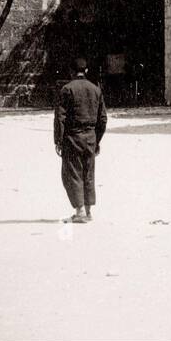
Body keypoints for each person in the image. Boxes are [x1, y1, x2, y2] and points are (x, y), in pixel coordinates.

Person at [54, 57, 108, 223]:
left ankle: (80, 212)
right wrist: (97, 140)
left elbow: (60, 118)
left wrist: (58, 140)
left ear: (71, 71)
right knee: (88, 173)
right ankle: (88, 210)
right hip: (90, 137)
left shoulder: (66, 89)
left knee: (73, 173)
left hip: (73, 137)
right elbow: (103, 119)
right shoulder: (96, 90)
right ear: (86, 71)